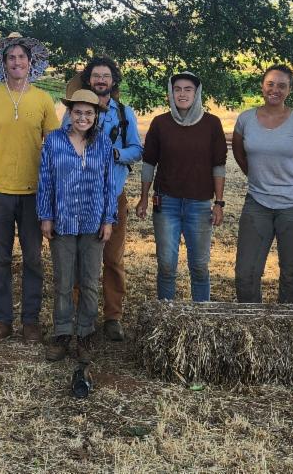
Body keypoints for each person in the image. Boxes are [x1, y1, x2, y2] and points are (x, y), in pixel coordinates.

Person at [0, 33, 60, 341]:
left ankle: (31, 320)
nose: (17, 62)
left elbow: (54, 148)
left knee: (33, 258)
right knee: (1, 258)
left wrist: (53, 192)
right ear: (3, 63)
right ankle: (3, 319)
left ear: (30, 62)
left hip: (34, 192)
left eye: (22, 57)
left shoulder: (43, 99)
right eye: (11, 58)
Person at [38, 89, 117, 362]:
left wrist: (108, 219)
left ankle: (85, 333)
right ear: (69, 113)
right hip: (62, 220)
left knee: (89, 281)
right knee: (63, 280)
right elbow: (45, 181)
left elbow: (109, 184)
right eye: (78, 112)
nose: (83, 117)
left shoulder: (103, 143)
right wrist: (45, 216)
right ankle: (62, 332)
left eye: (89, 113)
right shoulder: (54, 141)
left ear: (96, 116)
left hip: (93, 221)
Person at [232, 64, 293, 304]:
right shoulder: (245, 119)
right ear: (262, 86)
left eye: (282, 86)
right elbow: (240, 154)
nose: (275, 90)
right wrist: (258, 179)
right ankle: (251, 320)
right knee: (245, 273)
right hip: (257, 203)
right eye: (270, 84)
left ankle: (287, 321)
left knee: (292, 274)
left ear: (289, 90)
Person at [136, 72, 227, 302]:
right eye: (177, 89)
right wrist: (144, 197)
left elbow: (218, 165)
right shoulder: (160, 123)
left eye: (188, 89)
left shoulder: (212, 124)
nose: (182, 94)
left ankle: (201, 316)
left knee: (199, 267)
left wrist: (218, 202)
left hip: (200, 204)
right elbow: (148, 163)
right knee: (166, 266)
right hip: (166, 203)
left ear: (197, 93)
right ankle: (166, 314)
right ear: (170, 93)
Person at [76, 57, 142, 341]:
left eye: (106, 76)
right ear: (88, 80)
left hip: (113, 196)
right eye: (96, 75)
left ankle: (113, 316)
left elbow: (137, 149)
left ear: (113, 80)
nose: (100, 80)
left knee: (113, 259)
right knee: (80, 258)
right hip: (80, 196)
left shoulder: (124, 114)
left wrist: (117, 154)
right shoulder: (76, 110)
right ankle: (81, 315)